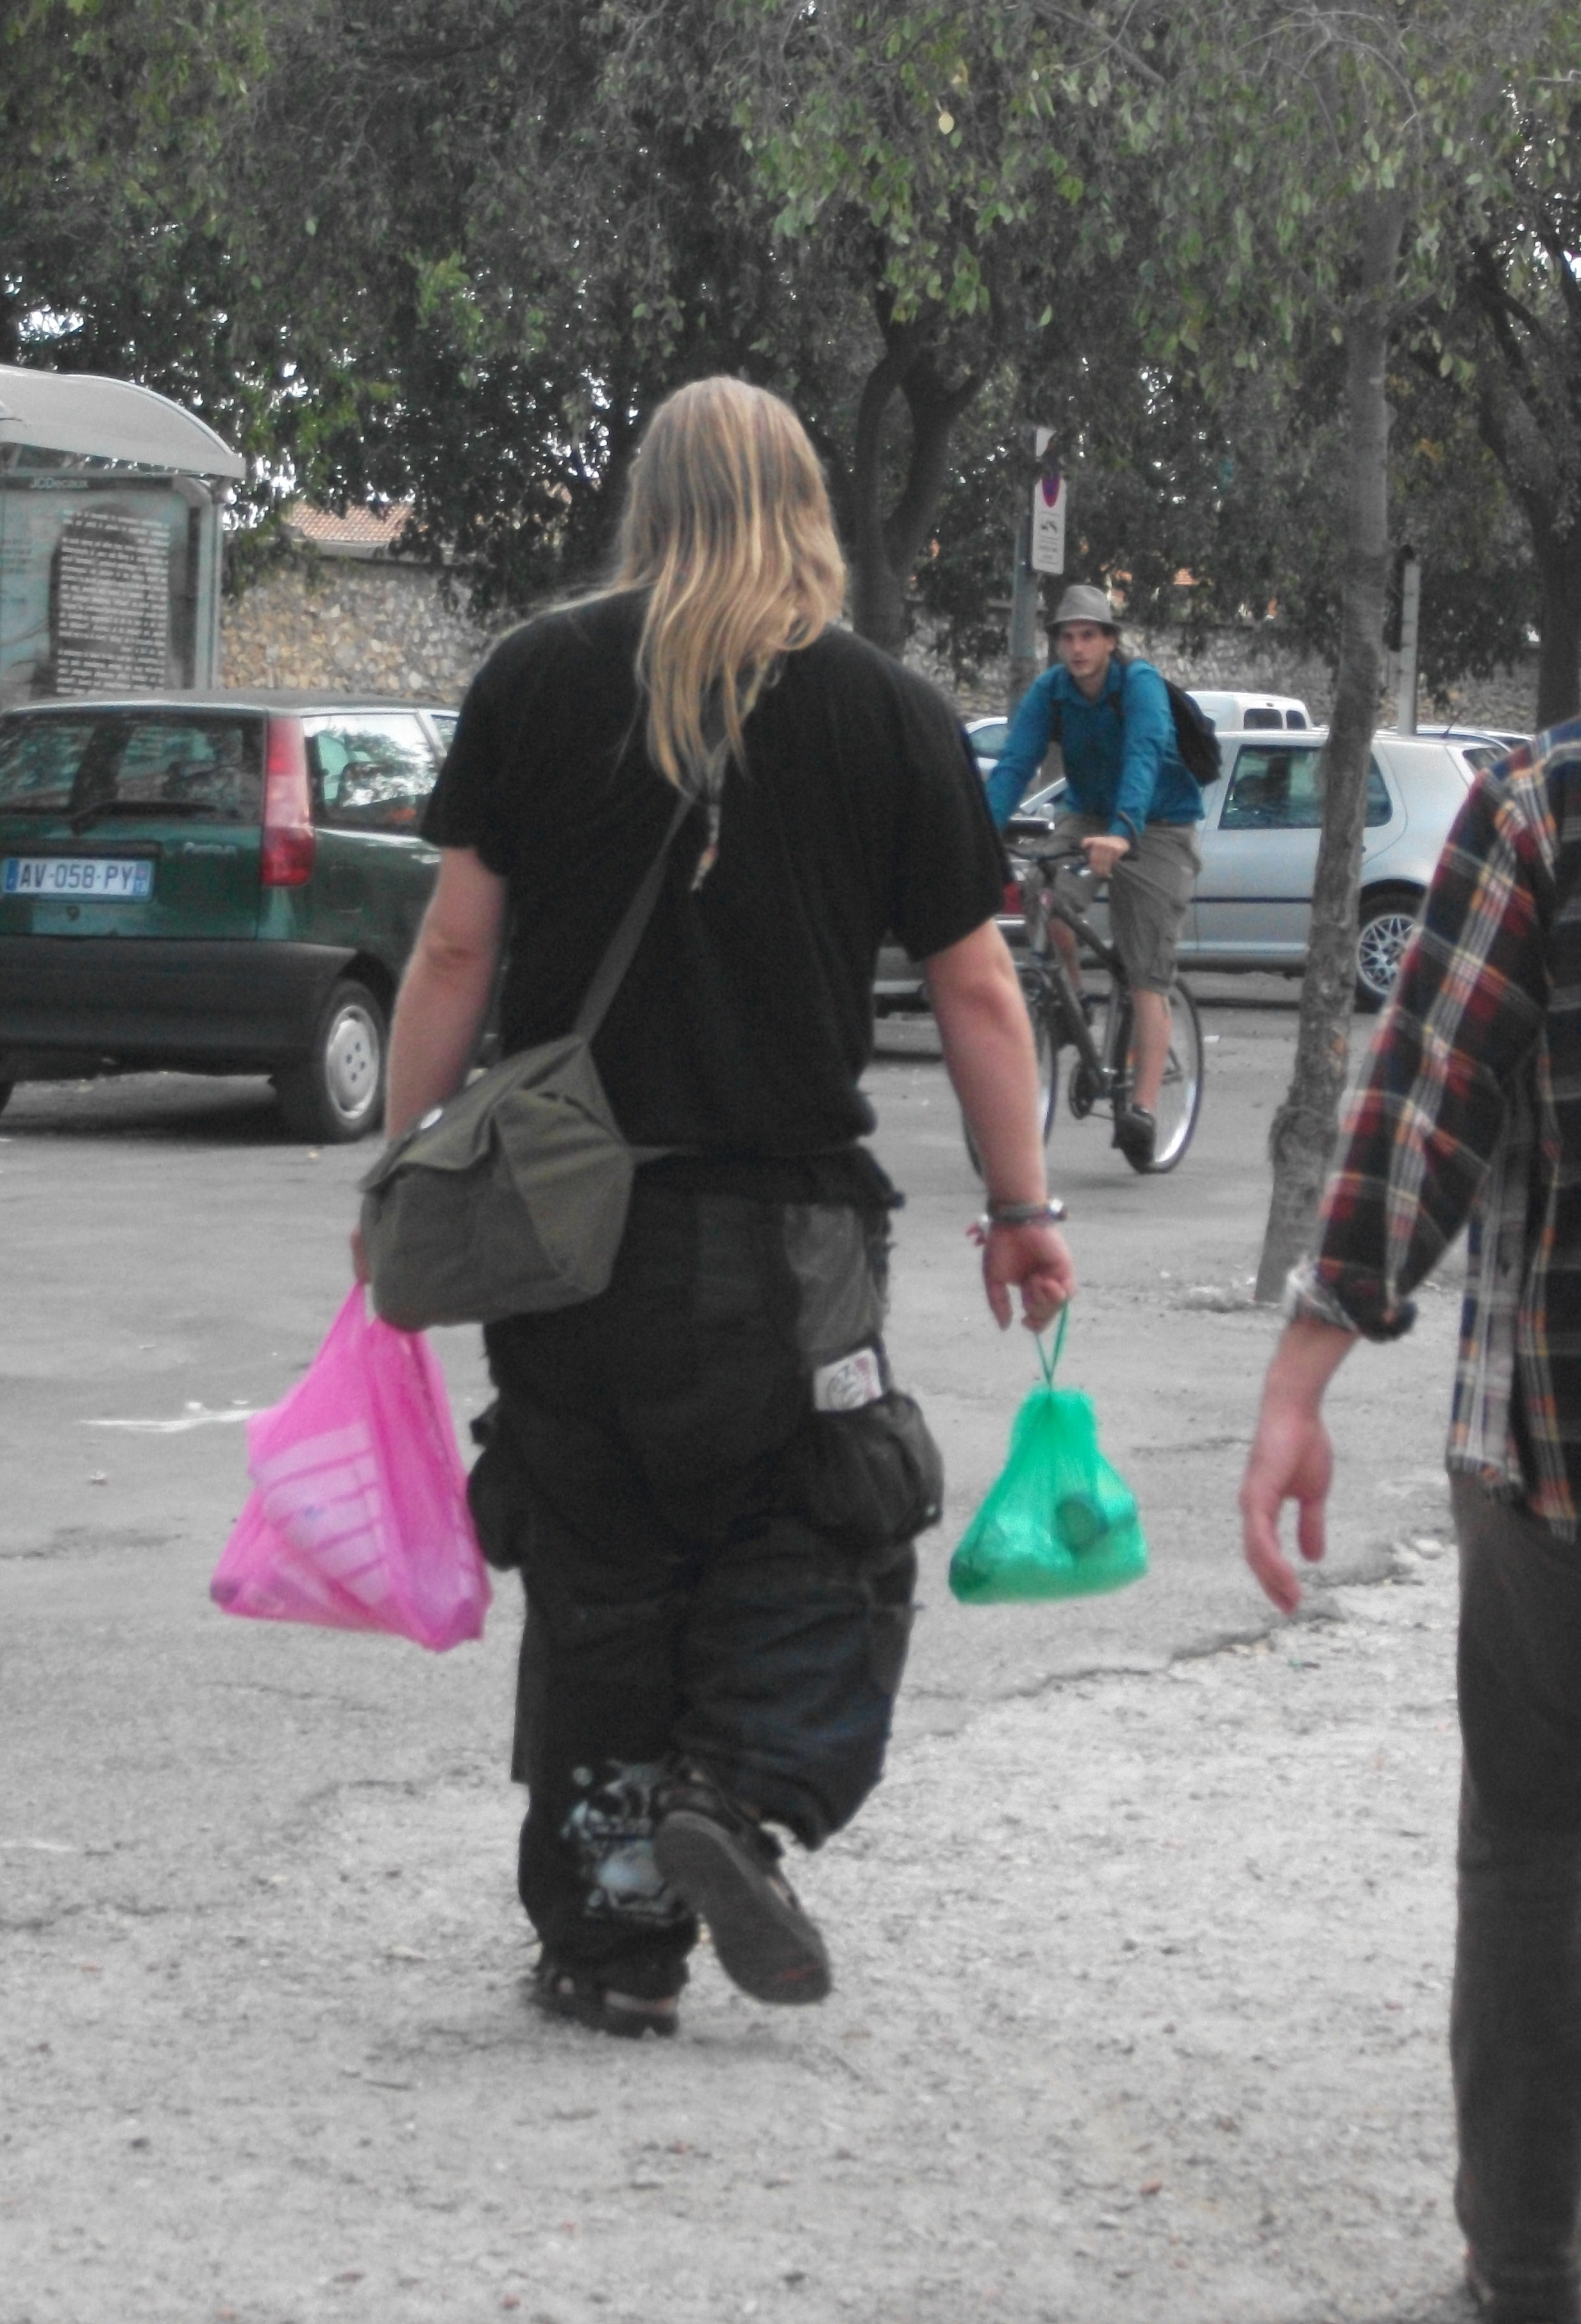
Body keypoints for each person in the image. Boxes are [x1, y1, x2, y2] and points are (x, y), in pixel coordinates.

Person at [364, 377, 1073, 2040]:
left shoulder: (537, 677)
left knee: (597, 1552)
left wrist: (400, 1171)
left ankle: (611, 1938)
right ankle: (740, 1791)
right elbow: (978, 990)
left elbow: (455, 947)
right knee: (826, 1520)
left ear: (649, 500)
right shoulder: (887, 711)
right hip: (793, 1235)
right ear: (806, 504)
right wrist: (1021, 1205)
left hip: (562, 1228)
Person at [1240, 713, 1581, 2324]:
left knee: (1536, 1845)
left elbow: (1425, 1104)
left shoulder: (1546, 805)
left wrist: (1299, 1378)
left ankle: (1529, 2260)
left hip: (1556, 1452)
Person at [983, 584, 1205, 1171]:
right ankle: (1072, 999)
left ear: (1110, 641)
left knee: (1145, 972)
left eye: (1089, 636)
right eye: (1068, 637)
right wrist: (977, 832)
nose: (1077, 648)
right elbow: (1015, 764)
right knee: (1042, 889)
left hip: (1158, 823)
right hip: (1086, 817)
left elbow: (1144, 755)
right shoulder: (1052, 691)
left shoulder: (1139, 685)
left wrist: (1125, 830)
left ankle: (1144, 1111)